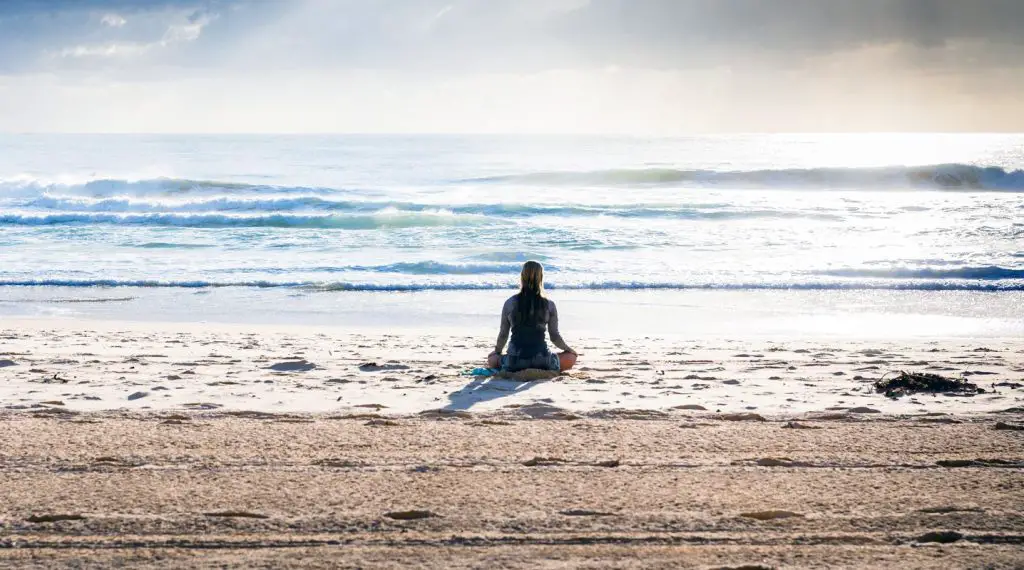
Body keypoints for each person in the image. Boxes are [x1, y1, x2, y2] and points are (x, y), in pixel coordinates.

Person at [487, 261, 577, 372]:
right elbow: (554, 337)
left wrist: (497, 351)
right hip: (542, 361)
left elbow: (503, 335)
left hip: (514, 361)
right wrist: (568, 349)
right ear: (541, 278)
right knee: (571, 357)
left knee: (492, 359)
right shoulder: (549, 305)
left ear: (522, 277)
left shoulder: (510, 303)